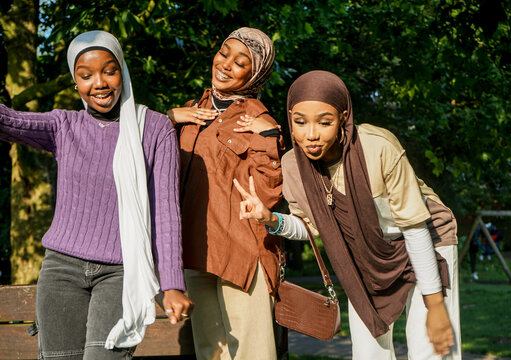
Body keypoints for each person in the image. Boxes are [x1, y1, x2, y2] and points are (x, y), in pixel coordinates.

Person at [234, 70, 461, 359]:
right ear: (289, 117)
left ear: (343, 116)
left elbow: (414, 227)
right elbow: (311, 227)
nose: (311, 134)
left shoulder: (377, 147)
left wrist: (437, 306)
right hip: (365, 257)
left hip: (427, 242)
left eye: (324, 122)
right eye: (300, 122)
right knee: (368, 354)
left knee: (431, 350)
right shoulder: (292, 165)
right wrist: (271, 219)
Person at [0, 30, 193, 359]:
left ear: (123, 71)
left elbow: (166, 212)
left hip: (121, 272)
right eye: (85, 75)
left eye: (109, 70)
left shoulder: (156, 129)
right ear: (76, 82)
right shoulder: (64, 126)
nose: (99, 83)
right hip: (61, 271)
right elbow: (10, 121)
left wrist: (173, 283)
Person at [166, 27, 282, 359]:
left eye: (240, 61)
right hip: (196, 247)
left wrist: (270, 137)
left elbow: (270, 192)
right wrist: (168, 118)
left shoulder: (259, 119)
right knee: (209, 352)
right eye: (224, 52)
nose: (226, 64)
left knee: (251, 352)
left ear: (255, 73)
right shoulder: (190, 110)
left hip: (243, 251)